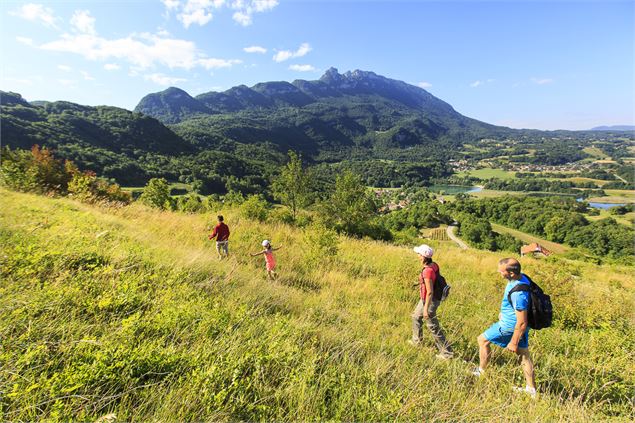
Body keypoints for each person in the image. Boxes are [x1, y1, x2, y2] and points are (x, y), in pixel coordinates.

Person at [473, 258, 537, 398]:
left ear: (512, 273)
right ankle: (531, 390)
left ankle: (481, 372)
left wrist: (513, 342)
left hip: (510, 326)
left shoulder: (518, 294)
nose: (499, 273)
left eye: (501, 271)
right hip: (516, 326)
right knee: (524, 356)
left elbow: (521, 322)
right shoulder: (523, 278)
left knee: (482, 340)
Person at [409, 244, 454, 360]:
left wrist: (425, 309)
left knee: (432, 326)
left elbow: (430, 291)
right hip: (426, 299)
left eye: (419, 254)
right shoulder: (434, 265)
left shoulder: (427, 271)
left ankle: (447, 353)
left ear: (424, 257)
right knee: (415, 317)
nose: (417, 255)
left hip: (430, 300)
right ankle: (417, 341)